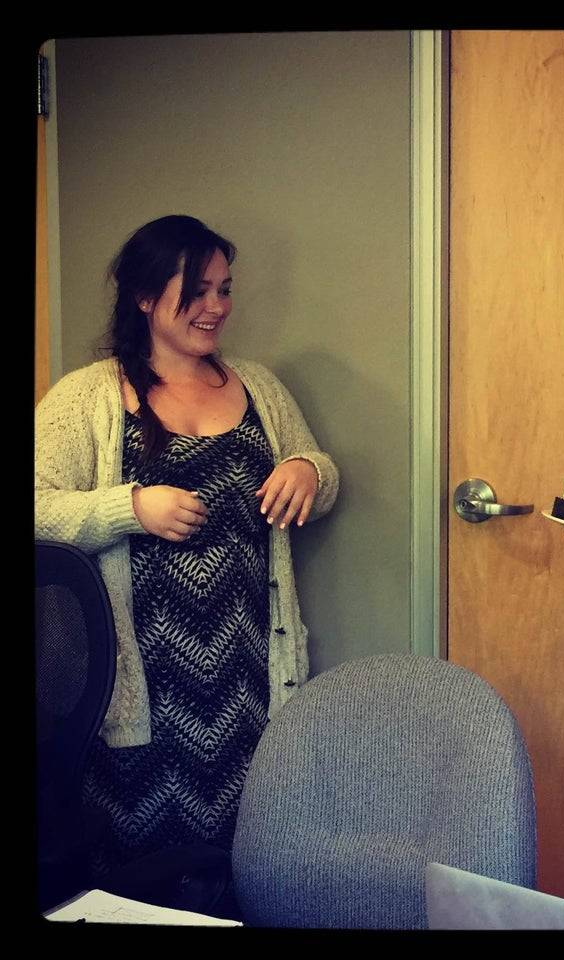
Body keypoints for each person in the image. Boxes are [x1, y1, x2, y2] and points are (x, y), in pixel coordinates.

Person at [34, 215, 339, 876]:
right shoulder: (86, 396)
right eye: (197, 291)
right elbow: (35, 506)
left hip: (252, 671)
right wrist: (131, 507)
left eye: (224, 290)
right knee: (148, 868)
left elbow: (321, 469)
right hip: (139, 688)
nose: (216, 308)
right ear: (144, 296)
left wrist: (307, 469)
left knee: (247, 858)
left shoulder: (256, 384)